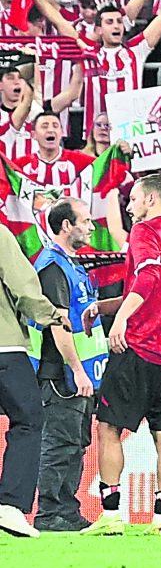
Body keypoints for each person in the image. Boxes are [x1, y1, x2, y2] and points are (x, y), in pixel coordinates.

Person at [89, 172, 161, 536]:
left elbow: (147, 280)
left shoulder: (145, 232)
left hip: (141, 348)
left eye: (132, 199)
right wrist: (105, 306)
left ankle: (112, 515)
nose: (129, 207)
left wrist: (118, 320)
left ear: (150, 200)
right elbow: (156, 289)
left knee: (108, 428)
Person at [30, 200, 99, 534]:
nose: (91, 227)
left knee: (75, 443)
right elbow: (58, 324)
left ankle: (67, 510)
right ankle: (49, 513)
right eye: (85, 221)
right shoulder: (53, 266)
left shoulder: (71, 265)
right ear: (66, 225)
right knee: (59, 444)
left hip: (77, 372)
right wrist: (77, 369)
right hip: (61, 373)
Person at [0, 211, 57, 538]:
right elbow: (22, 286)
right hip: (4, 346)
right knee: (29, 419)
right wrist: (51, 316)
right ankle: (10, 505)